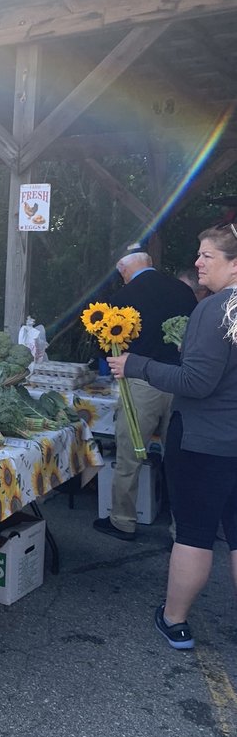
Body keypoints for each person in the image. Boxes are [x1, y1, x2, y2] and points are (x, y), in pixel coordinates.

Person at [108, 224, 237, 649]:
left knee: (194, 535)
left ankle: (174, 619)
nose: (197, 263)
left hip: (204, 439)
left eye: (208, 256)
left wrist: (137, 365)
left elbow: (196, 382)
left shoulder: (216, 310)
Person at [93, 242, 197, 541]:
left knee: (130, 456)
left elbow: (107, 347)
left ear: (123, 269)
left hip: (140, 385)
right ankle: (182, 529)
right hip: (180, 383)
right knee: (179, 458)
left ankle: (123, 521)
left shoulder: (122, 298)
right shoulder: (183, 291)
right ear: (149, 262)